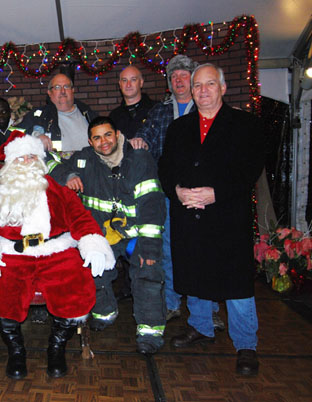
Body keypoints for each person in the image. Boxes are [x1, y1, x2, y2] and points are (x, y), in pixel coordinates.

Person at [0, 132, 115, 379]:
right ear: (11, 162)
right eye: (21, 157)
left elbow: (80, 217)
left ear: (40, 160)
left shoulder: (56, 188)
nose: (26, 162)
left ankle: (56, 348)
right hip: (13, 252)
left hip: (55, 250)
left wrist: (93, 244)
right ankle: (16, 351)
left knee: (76, 285)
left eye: (32, 156)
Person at [158, 63, 265, 376]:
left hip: (227, 217)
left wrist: (216, 193)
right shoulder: (179, 127)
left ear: (222, 87)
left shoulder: (245, 124)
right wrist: (176, 190)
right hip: (188, 216)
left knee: (237, 284)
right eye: (197, 86)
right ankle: (201, 327)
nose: (203, 91)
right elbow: (166, 167)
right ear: (191, 91)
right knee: (195, 274)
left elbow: (251, 168)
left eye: (209, 84)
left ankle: (246, 344)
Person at [135, 55, 224, 329]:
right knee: (169, 248)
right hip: (170, 193)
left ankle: (209, 310)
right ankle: (172, 304)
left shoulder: (209, 111)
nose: (178, 80)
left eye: (184, 76)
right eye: (173, 77)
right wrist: (138, 141)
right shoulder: (160, 112)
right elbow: (146, 138)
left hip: (205, 196)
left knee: (207, 251)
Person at [65, 116, 166, 354]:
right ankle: (105, 312)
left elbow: (152, 205)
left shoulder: (139, 159)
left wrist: (149, 249)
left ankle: (150, 332)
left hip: (136, 234)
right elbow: (55, 166)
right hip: (103, 234)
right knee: (94, 269)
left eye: (108, 135)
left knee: (148, 274)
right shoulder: (84, 160)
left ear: (118, 134)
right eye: (97, 138)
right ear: (90, 142)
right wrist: (68, 177)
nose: (104, 142)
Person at [108, 64, 156, 300]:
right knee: (125, 232)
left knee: (148, 237)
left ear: (141, 82)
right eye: (124, 80)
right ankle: (128, 286)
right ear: (119, 85)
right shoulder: (114, 117)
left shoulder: (155, 110)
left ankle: (148, 288)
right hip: (123, 185)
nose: (128, 84)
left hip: (149, 185)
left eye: (133, 80)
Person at [18, 73, 97, 154]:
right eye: (57, 87)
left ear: (73, 90)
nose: (63, 91)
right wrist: (34, 136)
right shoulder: (37, 116)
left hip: (91, 165)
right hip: (56, 165)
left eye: (66, 86)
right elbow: (12, 136)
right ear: (49, 92)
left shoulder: (89, 115)